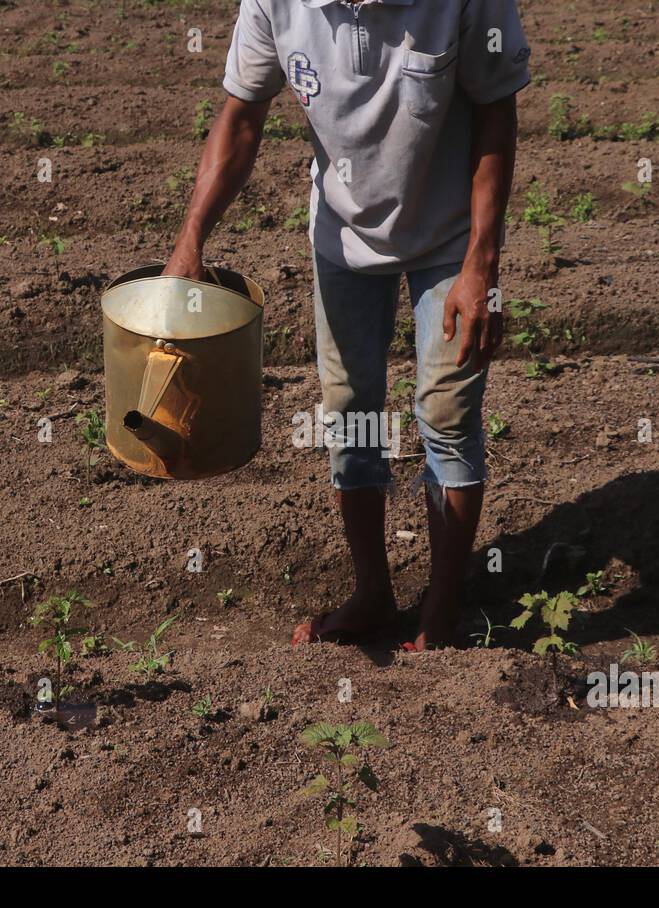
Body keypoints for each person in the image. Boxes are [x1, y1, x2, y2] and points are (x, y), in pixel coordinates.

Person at [164, 0, 529, 651]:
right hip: (344, 234)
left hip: (450, 237)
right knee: (350, 413)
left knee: (446, 414)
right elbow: (242, 118)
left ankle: (440, 615)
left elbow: (495, 111)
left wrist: (483, 264)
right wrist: (190, 240)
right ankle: (373, 594)